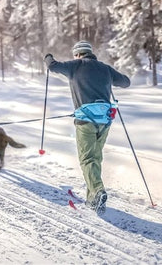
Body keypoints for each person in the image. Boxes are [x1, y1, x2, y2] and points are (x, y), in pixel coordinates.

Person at [44, 40, 130, 215]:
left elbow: (53, 66)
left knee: (87, 159)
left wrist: (48, 57)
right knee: (95, 157)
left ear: (77, 54)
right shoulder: (105, 68)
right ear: (90, 52)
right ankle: (92, 198)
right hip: (105, 122)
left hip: (85, 121)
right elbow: (126, 82)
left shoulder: (75, 65)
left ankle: (97, 191)